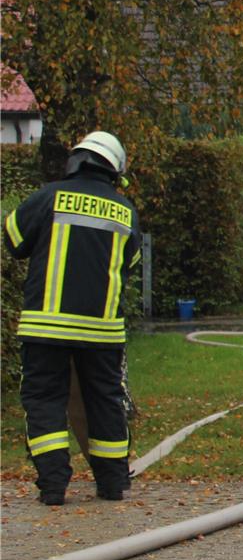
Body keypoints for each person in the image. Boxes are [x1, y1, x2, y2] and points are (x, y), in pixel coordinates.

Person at [4, 132, 141, 506]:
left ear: (76, 160)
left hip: (45, 326)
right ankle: (113, 484)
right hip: (102, 331)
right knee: (104, 400)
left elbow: (13, 238)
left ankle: (53, 486)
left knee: (44, 398)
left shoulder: (49, 197)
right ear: (115, 171)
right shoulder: (125, 210)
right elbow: (130, 264)